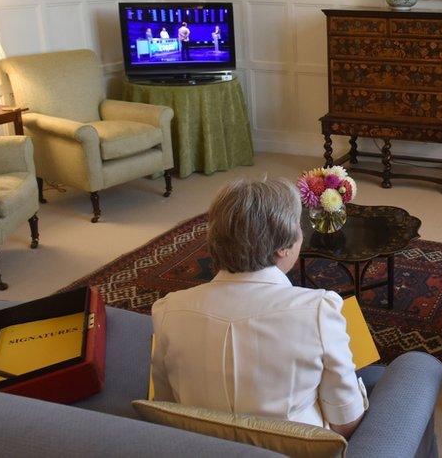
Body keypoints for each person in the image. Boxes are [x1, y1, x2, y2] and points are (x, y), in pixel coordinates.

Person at [150, 178, 368, 438]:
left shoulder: (168, 311)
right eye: (298, 226)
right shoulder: (319, 310)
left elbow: (164, 407)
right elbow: (346, 422)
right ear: (283, 247)